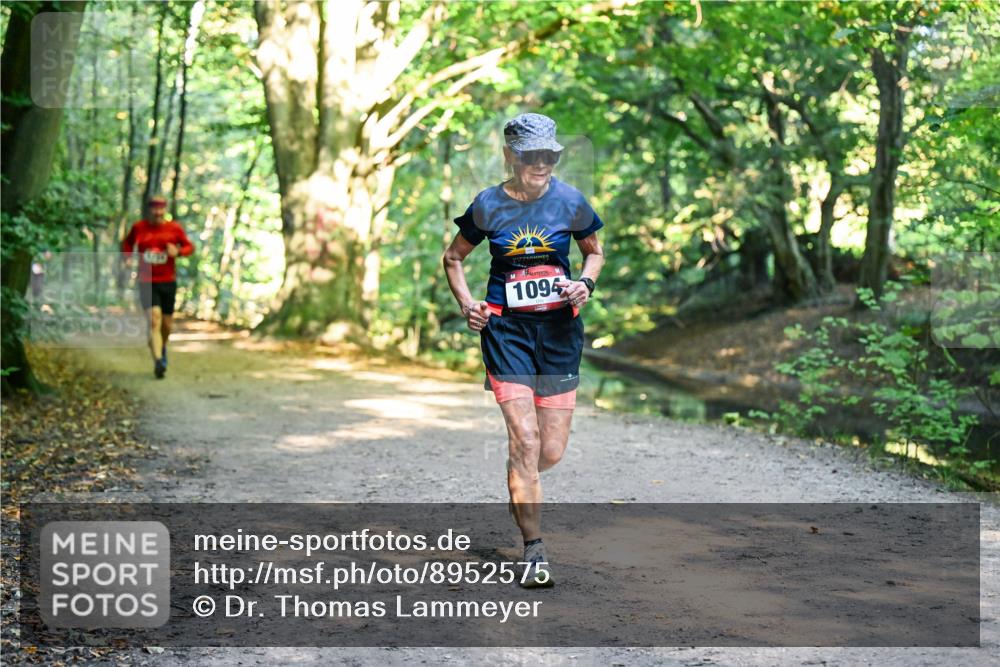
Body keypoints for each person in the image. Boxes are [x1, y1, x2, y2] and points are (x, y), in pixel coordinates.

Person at [442, 113, 605, 588]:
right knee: (527, 441)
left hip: (558, 335)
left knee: (548, 451)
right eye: (531, 155)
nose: (542, 164)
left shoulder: (571, 200)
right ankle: (534, 549)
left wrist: (585, 284)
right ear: (511, 157)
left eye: (549, 155)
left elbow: (593, 251)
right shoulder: (488, 205)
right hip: (506, 332)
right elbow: (454, 258)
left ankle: (521, 472)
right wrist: (469, 304)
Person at [121, 195, 194, 379]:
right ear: (149, 210)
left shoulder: (174, 228)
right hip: (146, 281)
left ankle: (161, 347)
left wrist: (178, 251)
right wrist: (128, 257)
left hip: (168, 281)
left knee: (167, 324)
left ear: (165, 210)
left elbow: (189, 247)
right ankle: (159, 361)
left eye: (161, 209)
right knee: (154, 319)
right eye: (154, 209)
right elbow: (127, 244)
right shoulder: (139, 228)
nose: (158, 212)